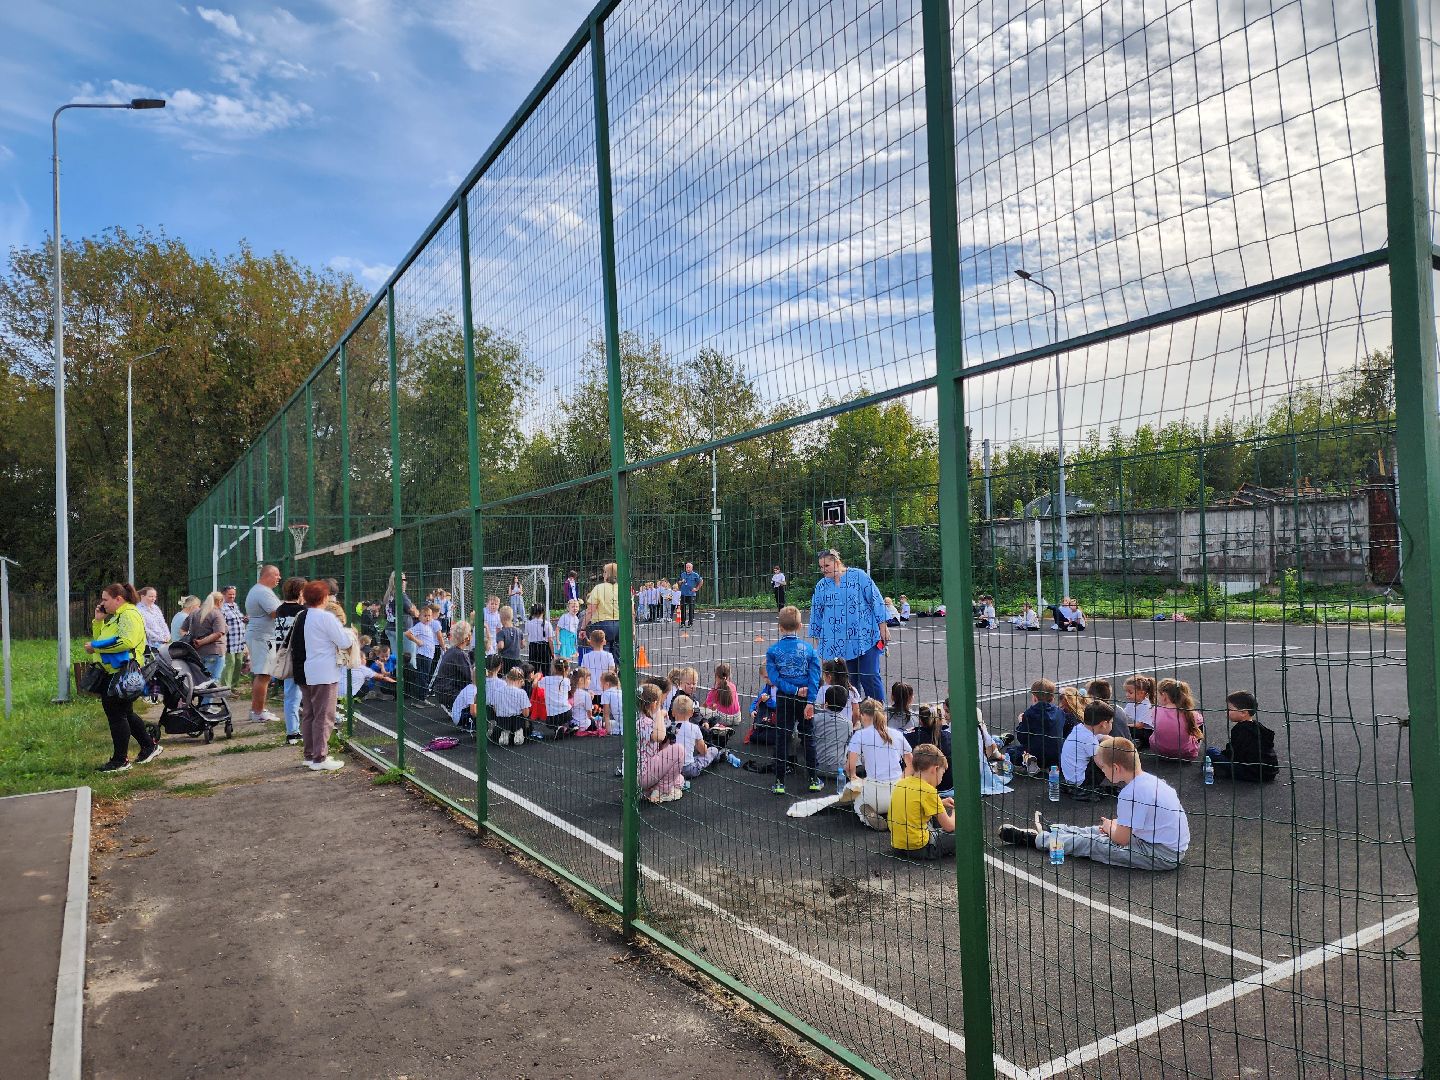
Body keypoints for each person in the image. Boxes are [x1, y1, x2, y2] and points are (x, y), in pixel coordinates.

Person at [999, 737, 1190, 870]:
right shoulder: (1150, 781)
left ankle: (1036, 839)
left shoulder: (1130, 793)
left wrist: (1110, 828)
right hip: (1163, 846)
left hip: (1161, 855)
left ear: (1115, 767)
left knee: (1094, 843)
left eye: (1103, 768)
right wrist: (1111, 827)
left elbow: (1121, 840)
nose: (1103, 772)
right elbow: (1136, 821)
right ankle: (1057, 830)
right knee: (1099, 831)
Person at [87, 584, 161, 772]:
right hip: (113, 671)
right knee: (125, 713)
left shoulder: (129, 614)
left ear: (118, 599)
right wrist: (98, 622)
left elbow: (126, 642)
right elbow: (104, 637)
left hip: (123, 672)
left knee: (116, 714)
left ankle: (120, 760)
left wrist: (96, 647)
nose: (102, 603)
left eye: (105, 599)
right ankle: (149, 746)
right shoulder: (117, 616)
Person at [807, 548, 889, 703]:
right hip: (838, 645)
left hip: (866, 638)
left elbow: (875, 599)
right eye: (821, 567)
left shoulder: (859, 576)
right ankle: (854, 719)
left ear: (837, 562)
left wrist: (883, 627)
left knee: (870, 676)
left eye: (827, 566)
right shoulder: (821, 586)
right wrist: (822, 649)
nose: (823, 570)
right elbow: (816, 615)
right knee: (848, 684)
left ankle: (879, 715)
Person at [765, 605, 822, 795]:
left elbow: (775, 679)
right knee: (808, 737)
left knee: (783, 736)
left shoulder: (773, 651)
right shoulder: (809, 650)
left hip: (785, 697)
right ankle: (813, 778)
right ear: (800, 626)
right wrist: (810, 701)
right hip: (805, 699)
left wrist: (794, 690)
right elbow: (815, 677)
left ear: (780, 627)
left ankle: (780, 781)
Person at [295, 579, 351, 771]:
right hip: (325, 672)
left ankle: (310, 754)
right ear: (324, 597)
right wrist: (350, 634)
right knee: (325, 715)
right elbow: (344, 641)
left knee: (310, 714)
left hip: (309, 669)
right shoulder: (326, 617)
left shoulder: (304, 615)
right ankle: (320, 757)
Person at [846, 699, 912, 830]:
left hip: (874, 794)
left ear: (863, 715)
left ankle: (866, 817)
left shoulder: (859, 735)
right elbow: (911, 764)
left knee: (857, 801)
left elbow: (849, 767)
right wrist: (901, 780)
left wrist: (854, 778)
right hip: (899, 793)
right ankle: (899, 813)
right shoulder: (897, 734)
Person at [889, 744, 956, 859]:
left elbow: (915, 803)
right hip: (921, 848)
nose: (941, 778)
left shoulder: (902, 783)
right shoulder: (929, 791)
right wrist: (956, 811)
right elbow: (950, 826)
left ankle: (934, 833)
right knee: (964, 835)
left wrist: (941, 802)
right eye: (942, 773)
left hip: (898, 845)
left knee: (930, 816)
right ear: (935, 769)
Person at [1207, 690, 1280, 781]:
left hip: (1253, 773)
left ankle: (1221, 770)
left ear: (1243, 713)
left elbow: (1234, 754)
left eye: (1229, 709)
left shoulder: (1240, 730)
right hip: (1269, 772)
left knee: (1211, 751)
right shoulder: (1258, 726)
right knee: (1216, 753)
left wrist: (1223, 756)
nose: (1226, 711)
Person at [244, 564, 282, 724]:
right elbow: (275, 612)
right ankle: (257, 712)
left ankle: (258, 708)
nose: (279, 578)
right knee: (264, 674)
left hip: (264, 636)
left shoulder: (261, 591)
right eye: (276, 575)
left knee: (264, 674)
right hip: (262, 637)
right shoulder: (262, 591)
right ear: (266, 575)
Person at [272, 576, 307, 746]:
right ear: (300, 592)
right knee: (310, 694)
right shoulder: (302, 611)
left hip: (284, 656)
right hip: (301, 657)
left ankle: (292, 731)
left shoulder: (280, 610)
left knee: (291, 695)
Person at [1005, 678, 1066, 773]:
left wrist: (1021, 722)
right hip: (1057, 756)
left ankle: (1029, 761)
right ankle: (1053, 766)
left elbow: (1022, 738)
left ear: (1034, 697)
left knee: (1011, 751)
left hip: (1037, 755)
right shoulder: (1060, 712)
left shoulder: (1030, 714)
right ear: (1052, 697)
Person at [637, 683, 684, 803]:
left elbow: (657, 744)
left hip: (639, 772)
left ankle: (651, 790)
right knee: (679, 750)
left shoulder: (637, 718)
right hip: (642, 774)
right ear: (654, 704)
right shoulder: (645, 722)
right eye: (660, 703)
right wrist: (659, 715)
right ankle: (662, 791)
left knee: (679, 779)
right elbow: (659, 736)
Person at [1060, 701, 1115, 799]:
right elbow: (1100, 763)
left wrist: (1116, 741)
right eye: (1111, 722)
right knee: (1107, 757)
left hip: (1070, 777)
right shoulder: (1089, 739)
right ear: (1104, 724)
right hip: (1080, 781)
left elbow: (1102, 737)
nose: (1112, 724)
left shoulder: (1080, 728)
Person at [184, 591, 228, 697]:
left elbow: (182, 629)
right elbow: (218, 633)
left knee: (201, 681)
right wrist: (202, 642)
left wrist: (195, 640)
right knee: (212, 681)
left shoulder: (195, 613)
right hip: (215, 651)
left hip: (198, 653)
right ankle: (206, 706)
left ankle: (201, 705)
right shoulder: (217, 613)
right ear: (220, 601)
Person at [1150, 678, 1203, 760]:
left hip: (1159, 751)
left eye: (1158, 694)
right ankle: (1193, 745)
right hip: (1185, 754)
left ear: (1164, 695)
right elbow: (1200, 721)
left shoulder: (1155, 710)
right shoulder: (1190, 713)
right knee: (1197, 726)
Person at [907, 702, 953, 795]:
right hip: (949, 784)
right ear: (939, 719)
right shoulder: (948, 735)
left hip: (925, 786)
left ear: (920, 720)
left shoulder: (911, 737)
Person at [430, 621, 475, 714]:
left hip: (442, 690)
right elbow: (469, 677)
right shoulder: (459, 654)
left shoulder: (451, 651)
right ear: (467, 637)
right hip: (449, 693)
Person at [811, 684, 854, 783]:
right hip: (838, 769)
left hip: (817, 767)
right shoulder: (848, 724)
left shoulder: (815, 719)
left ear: (826, 703)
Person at [673, 695, 721, 778]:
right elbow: (703, 751)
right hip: (688, 769)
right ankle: (718, 756)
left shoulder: (670, 727)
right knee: (713, 750)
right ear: (692, 713)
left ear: (673, 712)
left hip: (671, 769)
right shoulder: (694, 728)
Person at [584, 562, 623, 658]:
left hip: (602, 624)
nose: (603, 574)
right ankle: (617, 671)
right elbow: (631, 612)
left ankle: (605, 672)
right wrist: (632, 629)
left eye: (604, 572)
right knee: (618, 656)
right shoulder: (623, 588)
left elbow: (590, 610)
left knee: (602, 654)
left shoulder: (599, 588)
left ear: (607, 574)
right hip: (620, 625)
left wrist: (583, 627)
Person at [382, 571, 420, 664]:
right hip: (403, 630)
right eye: (403, 579)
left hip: (390, 628)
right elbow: (415, 613)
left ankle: (398, 677)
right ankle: (410, 677)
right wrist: (414, 608)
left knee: (397, 659)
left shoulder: (388, 594)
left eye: (405, 579)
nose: (405, 582)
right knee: (410, 659)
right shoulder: (401, 595)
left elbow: (385, 614)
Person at [490, 666, 531, 745]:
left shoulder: (498, 691)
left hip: (502, 720)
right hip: (517, 720)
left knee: (503, 725)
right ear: (520, 680)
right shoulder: (521, 692)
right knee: (527, 723)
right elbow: (526, 713)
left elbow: (495, 709)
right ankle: (518, 732)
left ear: (507, 678)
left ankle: (505, 732)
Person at [219, 584, 247, 688]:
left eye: (234, 594)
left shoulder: (235, 606)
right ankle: (225, 687)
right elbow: (222, 624)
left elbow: (236, 620)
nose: (232, 596)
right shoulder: (222, 608)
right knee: (230, 663)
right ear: (223, 595)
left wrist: (244, 619)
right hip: (229, 641)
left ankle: (234, 686)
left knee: (238, 663)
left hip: (239, 641)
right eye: (230, 594)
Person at [1124, 675, 1157, 750]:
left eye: (1130, 692)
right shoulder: (1131, 703)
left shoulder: (1147, 705)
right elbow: (1124, 714)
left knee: (1128, 729)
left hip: (1149, 733)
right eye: (1126, 692)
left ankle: (1142, 743)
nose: (1127, 695)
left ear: (1141, 693)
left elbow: (1140, 725)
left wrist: (1126, 725)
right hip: (1141, 730)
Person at [135, 587, 170, 651]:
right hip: (150, 645)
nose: (153, 599)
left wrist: (167, 636)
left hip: (163, 643)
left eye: (155, 596)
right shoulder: (138, 610)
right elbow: (144, 629)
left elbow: (163, 623)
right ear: (142, 596)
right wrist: (159, 638)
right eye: (151, 596)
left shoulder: (156, 608)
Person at [526, 602, 554, 670]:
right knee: (546, 670)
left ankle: (533, 680)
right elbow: (550, 640)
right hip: (545, 648)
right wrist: (553, 653)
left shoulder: (528, 623)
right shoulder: (547, 624)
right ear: (543, 612)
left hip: (533, 647)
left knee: (533, 670)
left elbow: (528, 634)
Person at [677, 562, 703, 627]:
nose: (688, 568)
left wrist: (696, 589)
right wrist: (681, 581)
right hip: (683, 594)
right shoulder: (682, 574)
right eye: (687, 567)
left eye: (689, 567)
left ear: (692, 568)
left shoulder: (695, 575)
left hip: (691, 594)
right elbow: (678, 582)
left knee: (691, 609)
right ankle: (682, 622)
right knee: (683, 609)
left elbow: (701, 581)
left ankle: (690, 622)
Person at [598, 669, 623, 735]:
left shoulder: (606, 694)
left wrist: (608, 731)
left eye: (601, 683)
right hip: (631, 721)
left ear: (607, 684)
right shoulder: (620, 691)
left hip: (622, 723)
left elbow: (606, 714)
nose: (600, 685)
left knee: (603, 724)